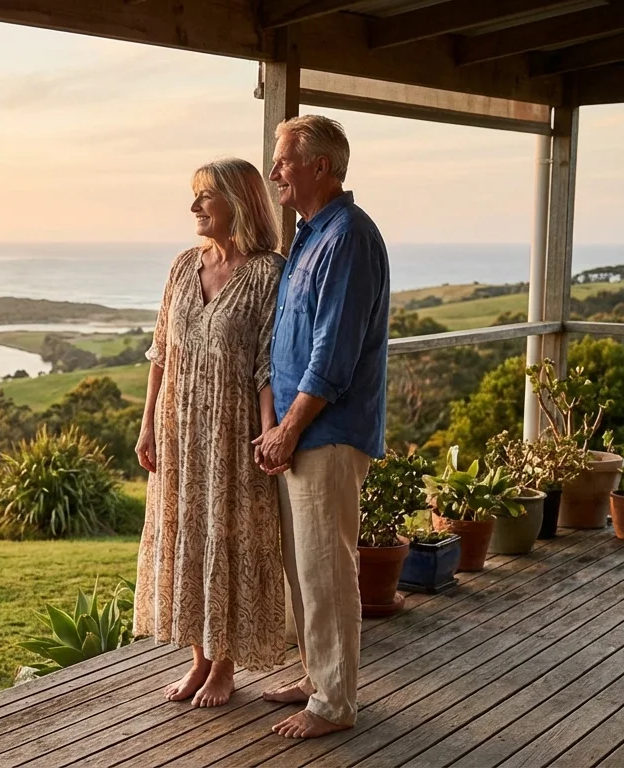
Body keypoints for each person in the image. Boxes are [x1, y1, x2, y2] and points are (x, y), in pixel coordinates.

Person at [254, 115, 390, 739]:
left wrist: (287, 430)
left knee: (327, 569)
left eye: (284, 160)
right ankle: (316, 676)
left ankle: (335, 703)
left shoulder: (349, 238)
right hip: (301, 429)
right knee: (302, 566)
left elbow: (332, 355)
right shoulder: (310, 235)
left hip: (327, 432)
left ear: (321, 167)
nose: (275, 170)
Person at [134, 157, 288, 708]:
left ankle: (226, 664)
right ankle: (198, 659)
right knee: (188, 536)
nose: (195, 207)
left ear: (238, 202)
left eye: (205, 196)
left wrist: (271, 430)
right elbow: (161, 353)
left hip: (232, 432)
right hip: (179, 430)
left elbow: (270, 363)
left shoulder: (269, 273)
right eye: (194, 196)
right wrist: (148, 422)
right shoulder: (182, 266)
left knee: (231, 538)